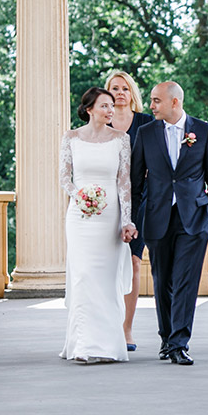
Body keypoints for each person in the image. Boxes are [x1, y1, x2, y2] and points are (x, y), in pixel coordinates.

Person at [130, 81, 208, 367]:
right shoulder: (146, 134)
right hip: (157, 217)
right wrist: (133, 220)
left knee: (185, 281)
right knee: (162, 282)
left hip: (194, 219)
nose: (151, 105)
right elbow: (135, 183)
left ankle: (179, 343)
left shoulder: (204, 131)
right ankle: (167, 338)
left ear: (174, 102)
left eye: (156, 100)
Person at [58, 86, 137, 364]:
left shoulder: (121, 139)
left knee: (105, 278)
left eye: (112, 106)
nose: (110, 110)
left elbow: (123, 182)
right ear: (89, 109)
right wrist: (80, 196)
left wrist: (126, 219)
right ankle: (82, 344)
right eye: (104, 106)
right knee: (83, 276)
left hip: (110, 215)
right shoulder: (71, 138)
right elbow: (64, 177)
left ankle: (108, 345)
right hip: (79, 215)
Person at [106, 70, 155, 351]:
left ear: (132, 93)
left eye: (125, 88)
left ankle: (127, 328)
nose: (121, 92)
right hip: (106, 201)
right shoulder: (100, 122)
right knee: (107, 265)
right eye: (115, 88)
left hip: (140, 200)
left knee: (134, 262)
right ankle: (107, 324)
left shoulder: (146, 123)